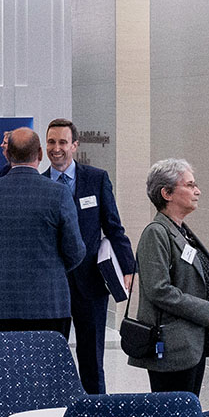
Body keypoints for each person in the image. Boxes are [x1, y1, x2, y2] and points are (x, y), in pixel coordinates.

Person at [129, 158, 209, 396]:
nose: (197, 191)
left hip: (191, 344)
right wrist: (206, 309)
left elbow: (184, 281)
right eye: (190, 185)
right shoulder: (156, 233)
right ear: (166, 193)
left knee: (186, 416)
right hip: (171, 347)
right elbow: (159, 290)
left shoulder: (181, 231)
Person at [45, 117, 136, 394]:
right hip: (52, 286)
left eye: (62, 142)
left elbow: (113, 226)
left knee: (92, 360)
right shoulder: (40, 184)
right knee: (50, 359)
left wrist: (128, 268)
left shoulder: (95, 179)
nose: (56, 148)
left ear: (75, 145)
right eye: (51, 142)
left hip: (90, 284)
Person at [0, 128, 85, 334]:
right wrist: (51, 269)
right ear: (40, 153)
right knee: (48, 366)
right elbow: (75, 250)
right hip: (48, 303)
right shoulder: (58, 194)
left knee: (5, 366)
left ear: (6, 154)